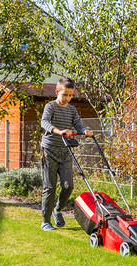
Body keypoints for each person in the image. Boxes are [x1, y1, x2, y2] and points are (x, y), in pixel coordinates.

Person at [40, 77, 93, 231]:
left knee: (68, 186)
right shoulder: (50, 107)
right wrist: (59, 131)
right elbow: (45, 123)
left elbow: (78, 124)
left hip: (65, 151)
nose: (67, 98)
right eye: (65, 95)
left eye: (70, 95)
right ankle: (45, 221)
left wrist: (85, 131)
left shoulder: (71, 110)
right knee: (49, 187)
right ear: (57, 92)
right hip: (49, 150)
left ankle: (57, 210)